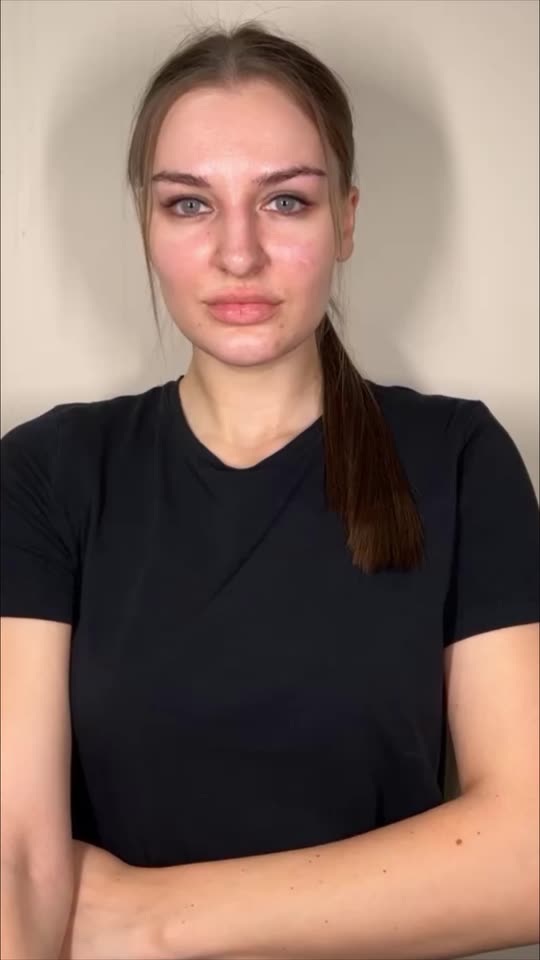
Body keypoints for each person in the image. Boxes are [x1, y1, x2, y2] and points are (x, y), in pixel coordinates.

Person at [1, 19, 539, 960]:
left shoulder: (459, 456)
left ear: (347, 220)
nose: (239, 253)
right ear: (146, 224)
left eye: (286, 201)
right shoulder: (47, 473)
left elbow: (527, 854)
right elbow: (17, 860)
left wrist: (148, 920)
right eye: (189, 204)